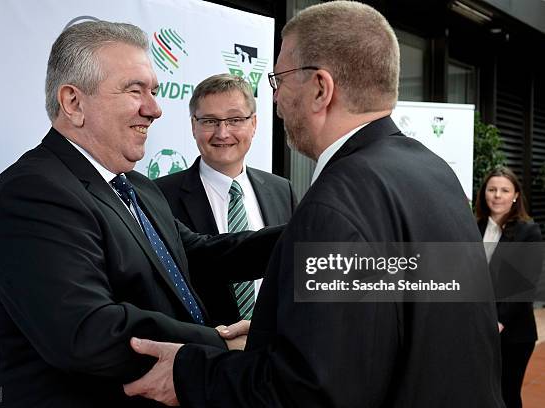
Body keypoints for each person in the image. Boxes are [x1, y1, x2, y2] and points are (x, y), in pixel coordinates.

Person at [123, 2, 505, 407]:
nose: (276, 100)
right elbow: (388, 326)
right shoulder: (433, 172)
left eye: (280, 80)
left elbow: (307, 390)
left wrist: (187, 372)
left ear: (321, 89)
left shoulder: (335, 203)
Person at [0, 21, 279, 407]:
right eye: (135, 91)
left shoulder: (137, 186)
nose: (154, 109)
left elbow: (201, 254)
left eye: (153, 91)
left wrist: (307, 232)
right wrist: (218, 342)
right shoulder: (32, 193)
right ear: (73, 103)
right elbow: (88, 331)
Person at [155, 73, 296, 326]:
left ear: (253, 124)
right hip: (201, 352)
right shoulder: (158, 197)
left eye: (234, 120)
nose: (222, 133)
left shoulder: (282, 190)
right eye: (209, 121)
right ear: (193, 126)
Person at [475, 166, 543, 408]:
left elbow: (524, 283)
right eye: (492, 189)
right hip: (478, 326)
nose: (497, 195)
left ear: (515, 195)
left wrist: (499, 321)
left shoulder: (528, 231)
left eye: (504, 190)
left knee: (507, 395)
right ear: (484, 193)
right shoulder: (475, 227)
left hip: (512, 331)